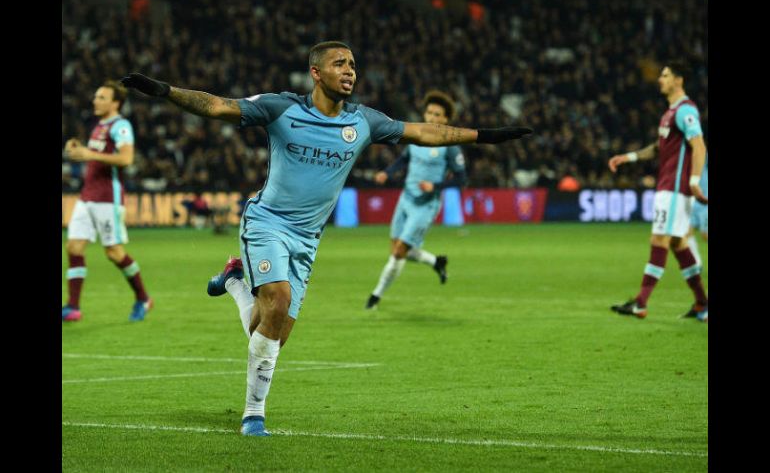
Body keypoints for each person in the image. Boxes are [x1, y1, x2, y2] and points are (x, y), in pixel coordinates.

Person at [121, 40, 533, 436]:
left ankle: (232, 280)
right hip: (268, 222)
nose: (350, 70)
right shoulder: (281, 108)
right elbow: (217, 106)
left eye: (353, 64)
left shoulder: (364, 121)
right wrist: (164, 91)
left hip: (308, 239)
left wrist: (484, 136)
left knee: (271, 332)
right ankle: (253, 415)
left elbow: (425, 132)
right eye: (340, 64)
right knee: (277, 301)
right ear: (316, 73)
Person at [608, 61, 708, 323]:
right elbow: (656, 148)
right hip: (669, 188)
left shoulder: (685, 111)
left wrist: (695, 180)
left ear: (679, 80)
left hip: (674, 189)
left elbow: (699, 146)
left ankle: (640, 303)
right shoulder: (669, 113)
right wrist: (627, 157)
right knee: (678, 243)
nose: (659, 79)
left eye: (665, 75)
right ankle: (702, 304)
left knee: (659, 240)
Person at [365, 90, 467, 310]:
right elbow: (404, 160)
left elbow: (461, 178)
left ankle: (375, 297)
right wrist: (387, 173)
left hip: (426, 204)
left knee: (399, 252)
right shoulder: (416, 135)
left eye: (438, 115)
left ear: (446, 120)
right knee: (399, 250)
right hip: (406, 199)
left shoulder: (450, 146)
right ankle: (436, 262)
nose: (432, 118)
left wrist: (435, 186)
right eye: (429, 113)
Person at [62, 81, 153, 322]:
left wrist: (88, 154)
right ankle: (72, 306)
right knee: (73, 247)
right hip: (87, 196)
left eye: (101, 97)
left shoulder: (121, 126)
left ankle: (143, 298)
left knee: (113, 252)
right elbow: (97, 156)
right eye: (96, 96)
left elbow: (126, 158)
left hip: (107, 198)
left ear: (115, 103)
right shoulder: (99, 125)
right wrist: (79, 149)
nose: (95, 100)